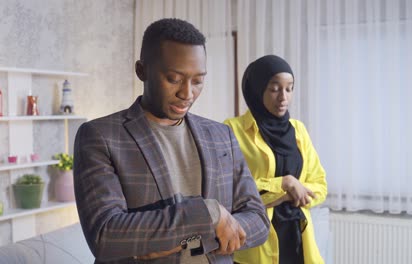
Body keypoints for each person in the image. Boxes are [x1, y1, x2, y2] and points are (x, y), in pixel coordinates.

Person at [73, 18, 269, 264]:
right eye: (174, 79)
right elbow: (106, 236)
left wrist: (185, 242)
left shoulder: (221, 136)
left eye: (197, 81)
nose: (187, 94)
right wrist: (209, 213)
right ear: (141, 70)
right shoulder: (100, 136)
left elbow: (259, 222)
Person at [224, 55, 327, 264]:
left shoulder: (298, 130)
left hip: (298, 239)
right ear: (257, 89)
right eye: (274, 89)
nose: (283, 98)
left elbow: (320, 186)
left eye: (289, 89)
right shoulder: (231, 130)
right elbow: (230, 193)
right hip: (255, 246)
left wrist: (291, 194)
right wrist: (285, 184)